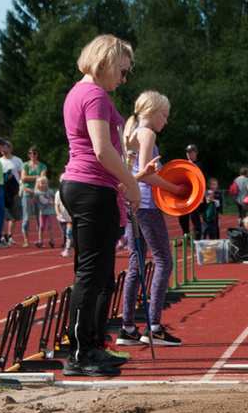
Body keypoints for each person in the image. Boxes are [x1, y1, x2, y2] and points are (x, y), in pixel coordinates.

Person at [60, 34, 144, 376]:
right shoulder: (94, 94)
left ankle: (92, 345)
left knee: (100, 276)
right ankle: (80, 353)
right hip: (91, 187)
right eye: (122, 71)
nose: (123, 79)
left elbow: (107, 146)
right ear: (104, 62)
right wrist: (132, 183)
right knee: (91, 275)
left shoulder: (82, 92)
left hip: (89, 186)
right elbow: (101, 150)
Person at [117, 90, 183, 348]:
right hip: (146, 204)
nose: (166, 121)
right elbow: (145, 173)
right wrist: (175, 188)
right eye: (164, 115)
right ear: (152, 112)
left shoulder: (132, 131)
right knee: (164, 261)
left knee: (136, 264)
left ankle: (128, 328)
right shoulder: (148, 133)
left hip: (133, 204)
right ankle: (154, 327)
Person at [20, 145, 48, 248]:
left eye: (34, 153)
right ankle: (26, 240)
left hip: (38, 193)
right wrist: (36, 177)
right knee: (26, 218)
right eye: (30, 153)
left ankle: (40, 240)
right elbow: (23, 178)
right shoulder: (25, 165)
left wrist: (31, 178)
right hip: (27, 192)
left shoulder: (43, 166)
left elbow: (42, 179)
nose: (32, 155)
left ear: (38, 154)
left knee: (39, 217)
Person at [0, 141, 23, 245]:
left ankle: (10, 236)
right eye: (2, 148)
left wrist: (20, 187)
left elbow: (21, 174)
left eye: (5, 148)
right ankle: (4, 235)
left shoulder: (17, 160)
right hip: (3, 189)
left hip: (14, 189)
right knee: (4, 213)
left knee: (13, 214)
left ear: (10, 148)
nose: (3, 150)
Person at [178, 144, 203, 240]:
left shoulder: (198, 164)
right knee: (182, 218)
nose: (188, 154)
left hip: (194, 194)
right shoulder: (184, 164)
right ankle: (186, 238)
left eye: (191, 152)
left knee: (195, 217)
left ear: (196, 152)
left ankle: (197, 239)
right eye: (187, 152)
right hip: (185, 194)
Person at [30, 176, 56, 248]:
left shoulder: (49, 192)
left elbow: (55, 198)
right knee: (41, 226)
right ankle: (40, 241)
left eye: (45, 183)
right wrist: (30, 202)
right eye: (41, 183)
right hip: (42, 212)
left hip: (50, 211)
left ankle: (52, 240)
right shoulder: (37, 193)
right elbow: (33, 200)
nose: (43, 185)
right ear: (38, 184)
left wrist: (53, 202)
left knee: (50, 226)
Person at [55, 175, 73, 257]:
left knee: (69, 233)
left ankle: (67, 249)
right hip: (62, 218)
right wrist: (58, 214)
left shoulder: (71, 192)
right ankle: (67, 245)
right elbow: (57, 205)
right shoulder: (58, 193)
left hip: (70, 218)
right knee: (64, 232)